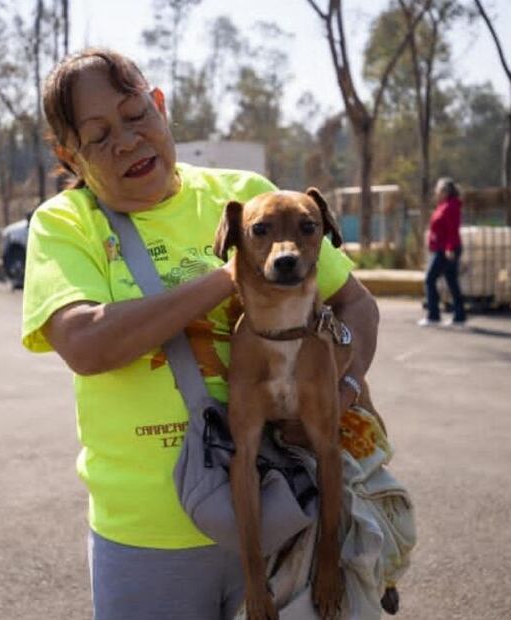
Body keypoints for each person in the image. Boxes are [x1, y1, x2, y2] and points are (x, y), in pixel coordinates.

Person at [20, 48, 381, 619]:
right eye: (98, 135)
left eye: (136, 114)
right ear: (71, 156)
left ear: (160, 106)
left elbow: (355, 304)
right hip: (147, 545)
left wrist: (344, 384)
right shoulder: (65, 224)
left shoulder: (245, 193)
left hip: (281, 511)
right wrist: (230, 276)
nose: (128, 141)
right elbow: (86, 343)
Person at [419, 177, 466, 327]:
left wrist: (450, 248)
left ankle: (434, 315)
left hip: (445, 250)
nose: (436, 192)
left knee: (430, 279)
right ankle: (459, 316)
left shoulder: (451, 207)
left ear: (445, 191)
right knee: (452, 281)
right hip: (442, 248)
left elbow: (452, 229)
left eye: (438, 190)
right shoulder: (444, 205)